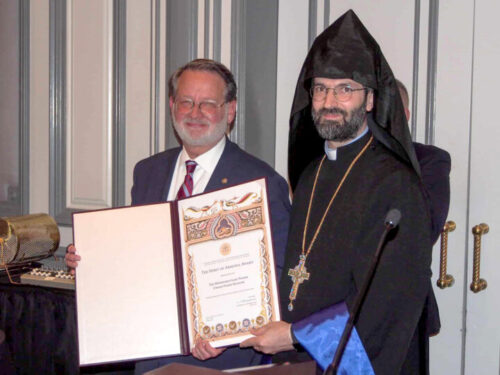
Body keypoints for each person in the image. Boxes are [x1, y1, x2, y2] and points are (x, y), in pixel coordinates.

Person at [66, 58, 291, 373]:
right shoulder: (148, 171)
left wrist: (226, 334)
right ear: (172, 106)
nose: (195, 113)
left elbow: (277, 277)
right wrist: (91, 264)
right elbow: (136, 256)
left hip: (220, 360)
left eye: (208, 104)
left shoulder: (261, 182)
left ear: (230, 111)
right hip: (149, 351)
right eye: (186, 102)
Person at [240, 10, 434, 374]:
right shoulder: (311, 174)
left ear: (371, 100)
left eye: (345, 89)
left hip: (358, 362)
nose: (329, 102)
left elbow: (385, 302)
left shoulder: (395, 184)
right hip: (301, 357)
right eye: (320, 89)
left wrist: (297, 335)